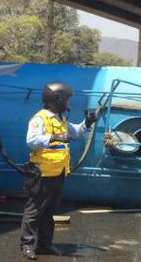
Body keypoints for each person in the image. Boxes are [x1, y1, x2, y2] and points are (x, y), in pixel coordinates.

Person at [19, 82, 97, 260]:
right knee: (34, 211)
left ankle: (45, 245)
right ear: (57, 99)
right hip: (41, 172)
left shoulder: (61, 119)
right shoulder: (40, 119)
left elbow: (76, 133)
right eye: (67, 98)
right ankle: (27, 245)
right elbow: (31, 140)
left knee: (49, 211)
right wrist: (54, 137)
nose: (68, 102)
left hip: (58, 172)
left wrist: (88, 122)